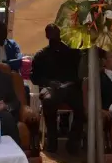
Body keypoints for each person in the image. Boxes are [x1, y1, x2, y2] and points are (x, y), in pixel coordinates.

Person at [31, 24, 83, 154]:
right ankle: (52, 139)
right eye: (51, 34)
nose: (54, 37)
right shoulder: (41, 55)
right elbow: (35, 77)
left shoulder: (72, 53)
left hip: (69, 89)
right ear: (47, 35)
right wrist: (49, 82)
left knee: (83, 104)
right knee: (48, 101)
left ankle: (73, 140)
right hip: (50, 89)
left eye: (56, 34)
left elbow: (78, 75)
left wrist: (70, 83)